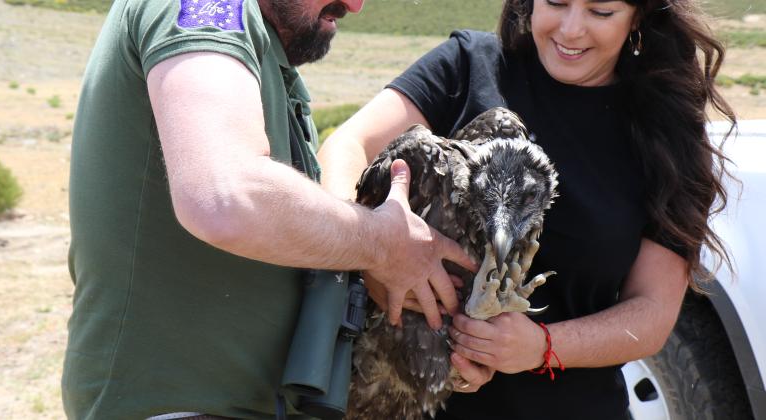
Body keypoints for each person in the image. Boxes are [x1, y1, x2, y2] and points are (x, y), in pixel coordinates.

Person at [62, 0, 482, 417]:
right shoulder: (206, 6)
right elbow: (225, 196)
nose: (354, 6)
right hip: (174, 404)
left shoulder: (262, 49)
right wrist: (382, 243)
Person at [318, 0, 736, 418]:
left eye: (601, 12)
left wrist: (540, 346)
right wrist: (375, 250)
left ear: (638, 17)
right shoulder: (470, 66)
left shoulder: (666, 133)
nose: (571, 30)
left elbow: (652, 314)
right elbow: (346, 147)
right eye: (556, 2)